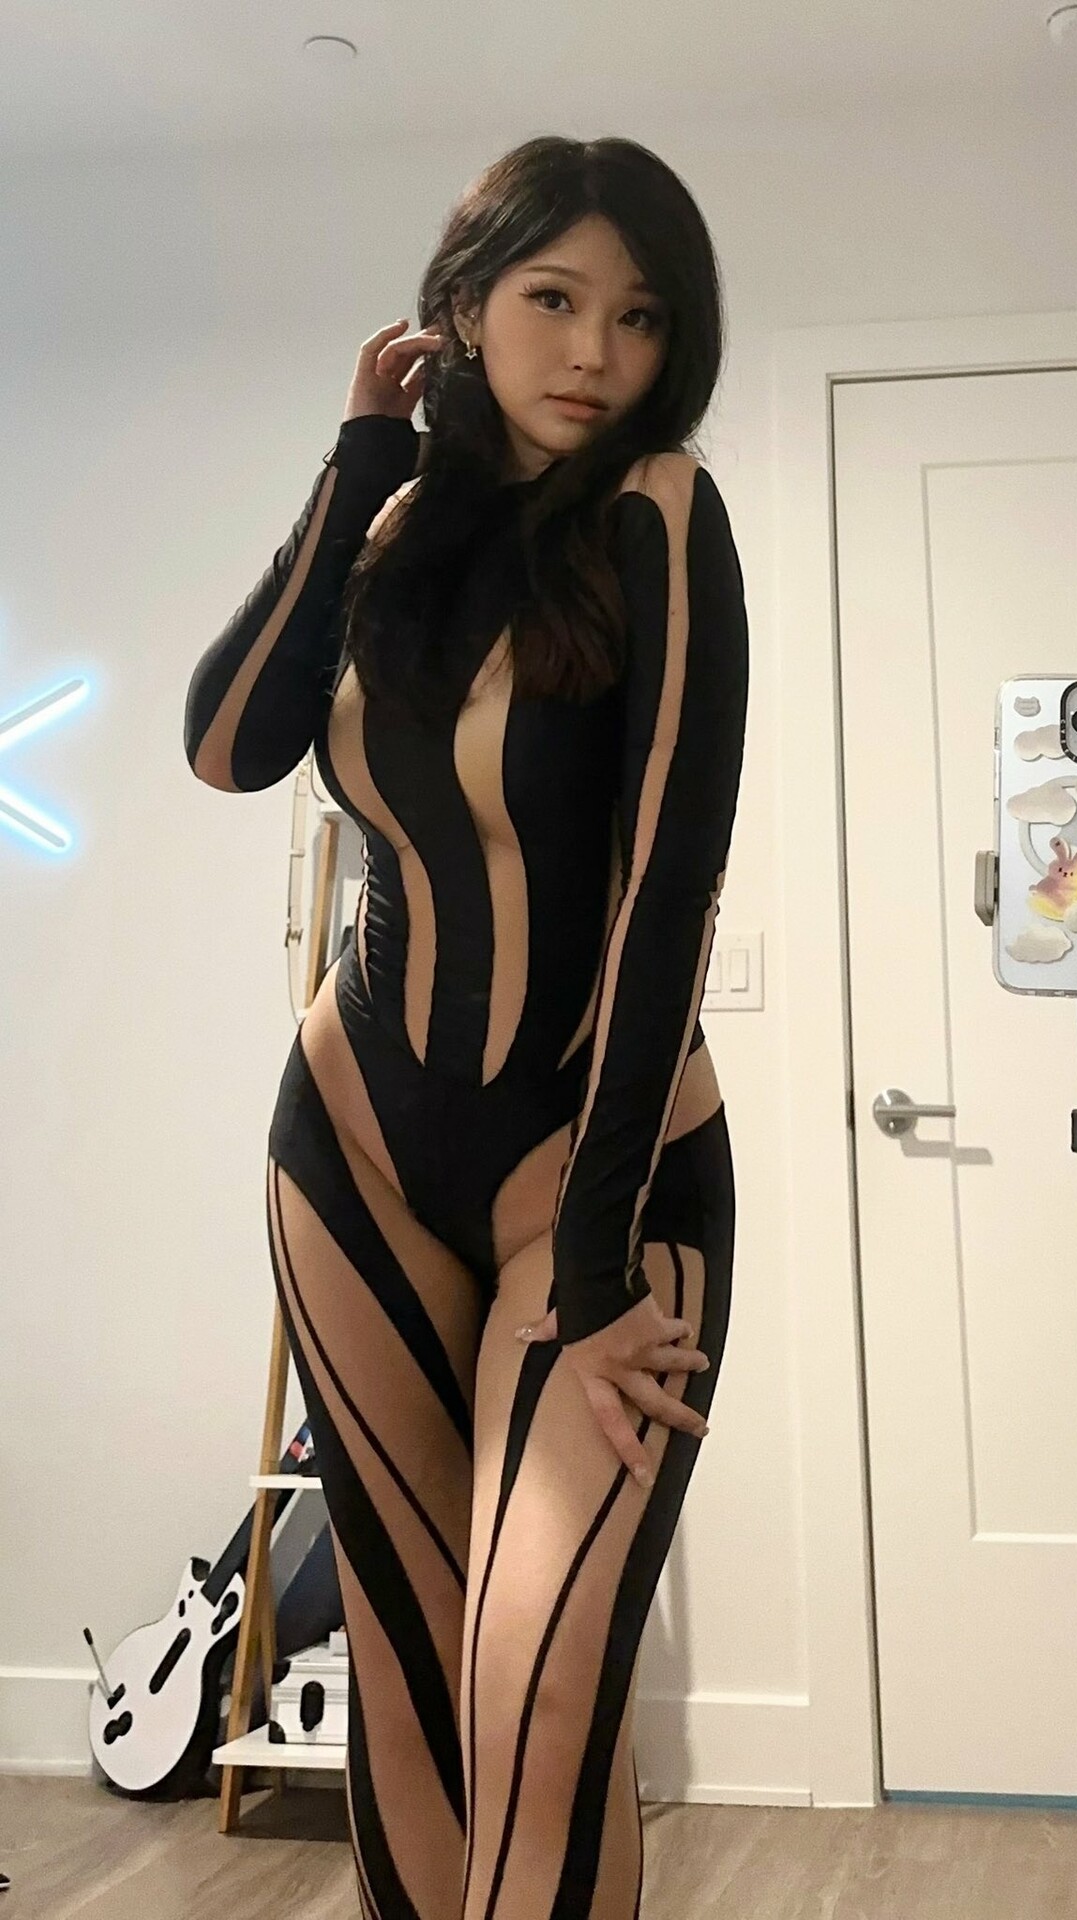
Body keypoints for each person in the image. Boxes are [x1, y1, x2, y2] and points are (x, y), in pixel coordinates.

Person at [183, 134, 748, 1920]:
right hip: (350, 1153)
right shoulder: (396, 530)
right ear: (465, 307)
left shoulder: (661, 510)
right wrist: (360, 458)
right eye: (554, 299)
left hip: (601, 1180)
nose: (596, 351)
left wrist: (596, 1262)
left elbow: (669, 891)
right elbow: (229, 747)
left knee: (539, 1692)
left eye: (639, 316)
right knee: (412, 1690)